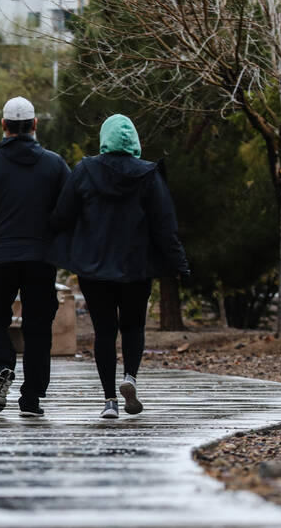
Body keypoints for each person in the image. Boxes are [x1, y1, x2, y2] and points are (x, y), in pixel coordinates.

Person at [50, 114, 189, 419]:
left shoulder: (84, 170)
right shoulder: (150, 174)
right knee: (133, 326)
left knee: (104, 331)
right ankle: (130, 377)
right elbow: (165, 226)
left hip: (94, 267)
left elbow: (62, 215)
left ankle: (110, 400)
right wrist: (178, 263)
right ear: (134, 141)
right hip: (136, 267)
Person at [0, 96, 70, 417]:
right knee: (38, 327)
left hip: (2, 257)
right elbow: (68, 209)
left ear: (4, 125)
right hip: (40, 259)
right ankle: (32, 398)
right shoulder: (55, 164)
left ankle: (0, 369)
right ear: (35, 125)